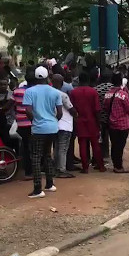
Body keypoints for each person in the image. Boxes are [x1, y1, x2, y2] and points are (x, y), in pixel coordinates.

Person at [23, 66, 63, 198]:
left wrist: (35, 120)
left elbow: (28, 111)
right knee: (47, 154)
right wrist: (53, 121)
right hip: (52, 128)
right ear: (47, 77)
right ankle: (50, 184)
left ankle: (37, 189)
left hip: (38, 128)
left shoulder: (29, 92)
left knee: (35, 156)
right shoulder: (55, 92)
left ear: (35, 77)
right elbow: (60, 113)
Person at [70, 72, 106, 173]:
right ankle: (101, 166)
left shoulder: (74, 92)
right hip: (92, 121)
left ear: (79, 80)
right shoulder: (93, 92)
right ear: (89, 80)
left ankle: (85, 167)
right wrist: (99, 123)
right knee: (95, 145)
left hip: (79, 121)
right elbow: (97, 109)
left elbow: (72, 108)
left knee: (82, 144)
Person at [103, 73, 129, 173]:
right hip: (123, 124)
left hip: (112, 123)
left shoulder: (108, 94)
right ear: (120, 82)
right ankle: (118, 166)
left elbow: (106, 108)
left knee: (114, 144)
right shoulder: (123, 94)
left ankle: (116, 164)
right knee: (120, 145)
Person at [51, 74, 78, 178]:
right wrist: (76, 115)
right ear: (62, 83)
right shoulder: (62, 95)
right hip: (64, 124)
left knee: (56, 147)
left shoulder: (48, 93)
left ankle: (56, 168)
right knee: (62, 148)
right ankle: (61, 170)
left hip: (53, 125)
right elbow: (71, 109)